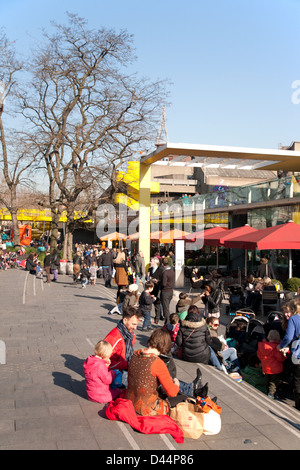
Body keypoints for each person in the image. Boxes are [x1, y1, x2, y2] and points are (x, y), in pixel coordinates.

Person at [126, 328, 180, 416]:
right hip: (146, 408)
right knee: (179, 399)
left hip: (130, 401)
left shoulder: (135, 354)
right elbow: (172, 392)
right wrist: (176, 384)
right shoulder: (157, 362)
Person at [175, 305, 221, 370]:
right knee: (209, 348)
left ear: (188, 313)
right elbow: (209, 341)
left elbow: (179, 343)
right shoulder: (203, 325)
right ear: (198, 313)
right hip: (202, 356)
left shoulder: (183, 326)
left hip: (187, 356)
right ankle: (219, 368)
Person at [104, 307, 143, 372]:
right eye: (133, 324)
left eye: (136, 325)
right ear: (125, 320)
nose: (135, 328)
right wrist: (127, 364)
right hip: (113, 373)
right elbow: (105, 362)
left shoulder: (131, 335)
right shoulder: (114, 337)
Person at [278, 301, 300, 410]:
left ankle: (298, 406)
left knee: (298, 379)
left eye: (288, 312)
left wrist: (281, 345)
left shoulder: (293, 319)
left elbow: (289, 337)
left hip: (298, 355)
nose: (286, 315)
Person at [257, 330, 286, 399]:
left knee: (267, 380)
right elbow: (280, 358)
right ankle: (271, 394)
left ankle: (267, 390)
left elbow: (259, 355)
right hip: (275, 369)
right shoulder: (276, 347)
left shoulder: (262, 345)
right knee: (273, 383)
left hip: (265, 367)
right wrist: (284, 355)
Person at [148, 257, 164, 324]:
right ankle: (148, 317)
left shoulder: (160, 270)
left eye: (151, 261)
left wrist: (157, 281)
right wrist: (148, 277)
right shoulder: (150, 269)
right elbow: (148, 278)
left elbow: (162, 280)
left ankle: (157, 318)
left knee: (157, 304)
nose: (150, 262)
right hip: (151, 288)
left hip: (157, 288)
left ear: (155, 262)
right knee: (149, 303)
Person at [160, 257, 175, 324]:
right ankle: (167, 322)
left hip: (165, 291)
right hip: (171, 291)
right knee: (167, 307)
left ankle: (167, 323)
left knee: (166, 309)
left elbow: (164, 284)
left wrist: (159, 282)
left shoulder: (165, 273)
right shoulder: (172, 271)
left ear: (163, 264)